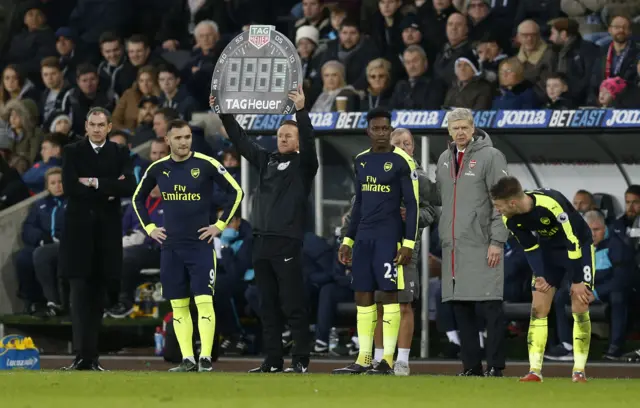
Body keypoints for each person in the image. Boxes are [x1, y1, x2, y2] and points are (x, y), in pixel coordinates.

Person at [212, 86, 318, 374]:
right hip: (260, 241)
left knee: (293, 304)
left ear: (297, 142)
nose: (283, 138)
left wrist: (301, 111)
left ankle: (300, 359)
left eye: (288, 136)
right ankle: (272, 360)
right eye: (280, 135)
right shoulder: (267, 161)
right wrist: (225, 114)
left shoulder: (304, 166)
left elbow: (309, 142)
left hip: (287, 242)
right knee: (266, 304)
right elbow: (242, 142)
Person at [132, 119, 243, 372]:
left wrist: (220, 225)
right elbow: (138, 198)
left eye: (187, 137)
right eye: (178, 138)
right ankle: (187, 359)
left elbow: (236, 192)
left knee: (204, 302)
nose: (184, 142)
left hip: (200, 246)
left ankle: (205, 358)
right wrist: (150, 229)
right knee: (178, 305)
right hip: (171, 248)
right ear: (167, 140)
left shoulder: (206, 164)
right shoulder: (158, 168)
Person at [339, 128, 437, 375]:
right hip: (373, 245)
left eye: (408, 143)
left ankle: (402, 359)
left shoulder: (421, 178)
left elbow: (432, 211)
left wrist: (410, 219)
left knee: (403, 304)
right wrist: (347, 237)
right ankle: (380, 358)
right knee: (380, 304)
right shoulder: (370, 166)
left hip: (404, 249)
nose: (404, 147)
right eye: (398, 143)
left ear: (413, 148)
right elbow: (358, 205)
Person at [490, 176, 595, 383]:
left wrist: (576, 280)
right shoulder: (509, 218)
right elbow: (530, 247)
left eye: (498, 206)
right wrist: (540, 275)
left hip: (578, 247)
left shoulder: (551, 203)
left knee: (579, 304)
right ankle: (534, 371)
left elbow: (572, 241)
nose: (497, 210)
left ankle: (579, 371)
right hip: (548, 252)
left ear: (512, 203)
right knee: (538, 306)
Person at [60, 107, 137, 371]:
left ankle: (92, 357)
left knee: (98, 297)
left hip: (106, 236)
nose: (96, 129)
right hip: (78, 235)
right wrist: (108, 187)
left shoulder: (119, 152)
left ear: (109, 126)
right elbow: (69, 187)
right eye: (92, 124)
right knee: (79, 296)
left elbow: (129, 186)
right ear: (85, 126)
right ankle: (82, 356)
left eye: (101, 124)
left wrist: (93, 183)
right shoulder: (72, 151)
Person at [435, 107, 509, 377]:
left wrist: (497, 241)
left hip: (483, 244)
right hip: (453, 247)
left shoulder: (491, 156)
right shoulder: (444, 158)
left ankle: (496, 366)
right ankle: (471, 366)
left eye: (465, 127)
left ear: (474, 127)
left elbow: (504, 200)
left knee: (491, 307)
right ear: (449, 131)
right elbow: (438, 197)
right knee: (460, 306)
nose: (460, 133)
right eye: (455, 128)